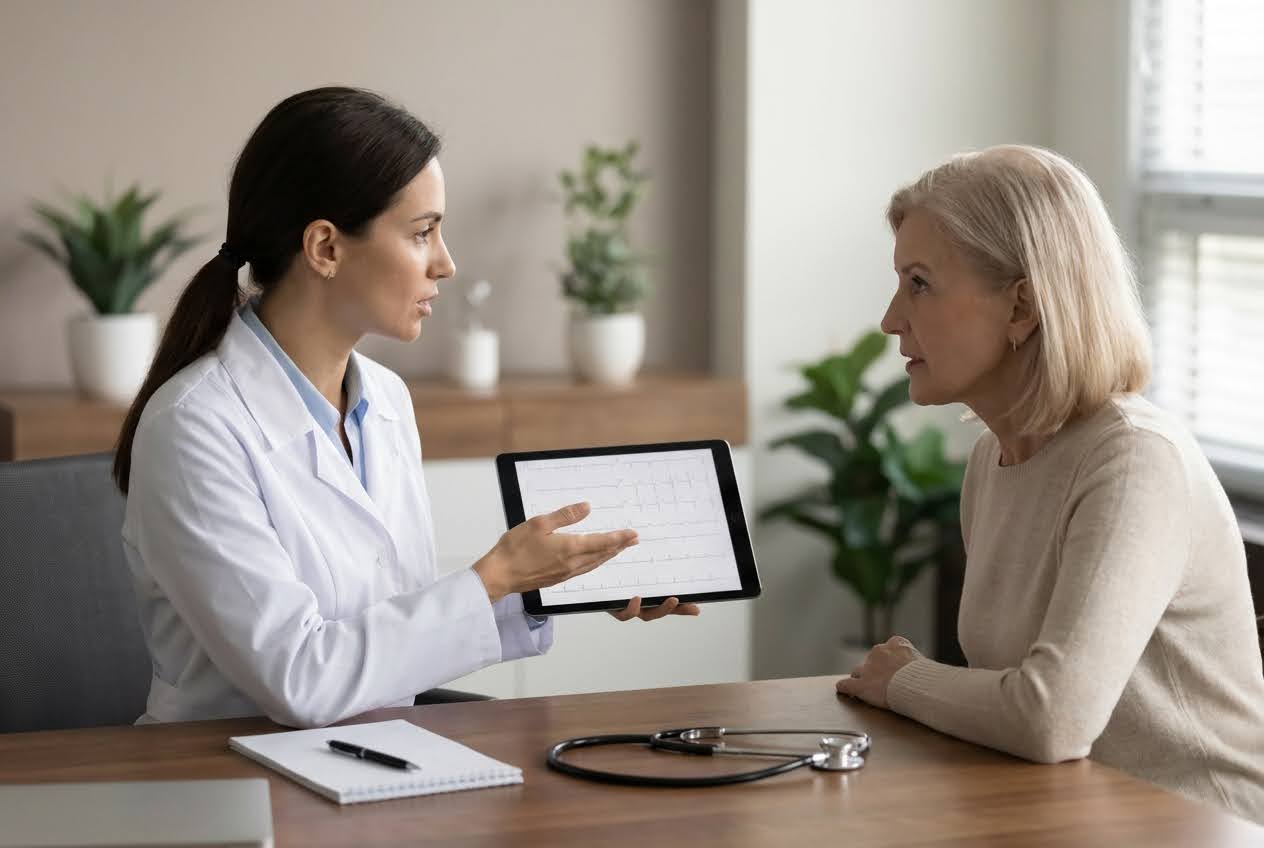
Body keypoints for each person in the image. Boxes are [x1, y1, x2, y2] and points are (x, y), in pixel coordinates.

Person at [112, 86, 698, 729]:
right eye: (423, 233)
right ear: (325, 248)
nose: (445, 264)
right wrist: (491, 578)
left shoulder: (384, 401)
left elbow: (394, 626)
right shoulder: (193, 426)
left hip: (377, 760)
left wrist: (545, 582)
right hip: (227, 786)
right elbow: (299, 678)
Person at [836, 145, 1264, 824]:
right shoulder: (992, 460)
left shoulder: (1132, 462)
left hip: (1199, 829)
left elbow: (1053, 717)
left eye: (919, 282)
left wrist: (906, 679)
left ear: (1022, 308)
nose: (891, 318)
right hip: (1067, 817)